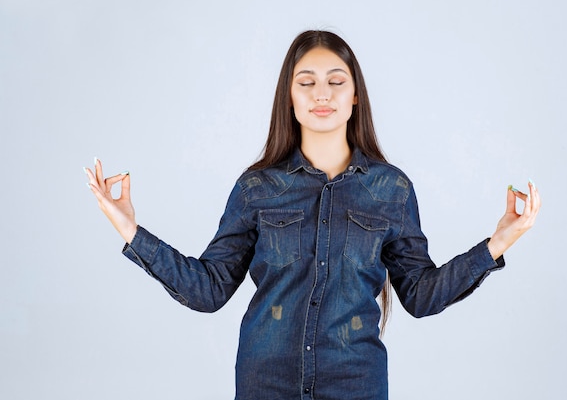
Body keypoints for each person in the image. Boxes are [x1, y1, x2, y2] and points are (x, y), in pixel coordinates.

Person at [84, 30, 541, 400]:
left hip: (355, 384)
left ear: (355, 95)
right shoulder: (257, 188)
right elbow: (208, 289)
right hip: (266, 383)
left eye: (335, 81)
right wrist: (129, 228)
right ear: (290, 96)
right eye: (306, 82)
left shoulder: (390, 188)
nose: (321, 93)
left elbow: (421, 295)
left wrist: (498, 242)